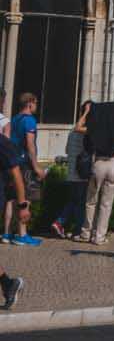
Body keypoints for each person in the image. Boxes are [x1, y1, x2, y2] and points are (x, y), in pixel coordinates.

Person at [73, 100, 114, 245]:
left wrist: (87, 112)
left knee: (91, 201)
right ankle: (99, 236)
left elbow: (77, 127)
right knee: (107, 204)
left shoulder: (96, 127)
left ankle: (86, 233)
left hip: (99, 162)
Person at [5, 96, 44, 246]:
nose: (36, 106)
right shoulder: (29, 120)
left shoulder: (14, 119)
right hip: (25, 164)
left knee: (11, 198)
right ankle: (22, 234)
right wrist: (36, 166)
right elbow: (30, 145)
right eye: (35, 103)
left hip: (12, 162)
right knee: (25, 198)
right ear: (29, 103)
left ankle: (7, 233)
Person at [50, 102, 91, 240]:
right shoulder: (86, 131)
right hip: (82, 174)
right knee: (80, 203)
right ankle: (75, 230)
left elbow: (67, 150)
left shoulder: (72, 130)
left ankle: (61, 224)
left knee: (73, 201)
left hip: (71, 172)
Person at [0, 129, 28, 307]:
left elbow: (17, 175)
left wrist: (22, 205)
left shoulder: (3, 143)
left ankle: (9, 284)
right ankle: (9, 284)